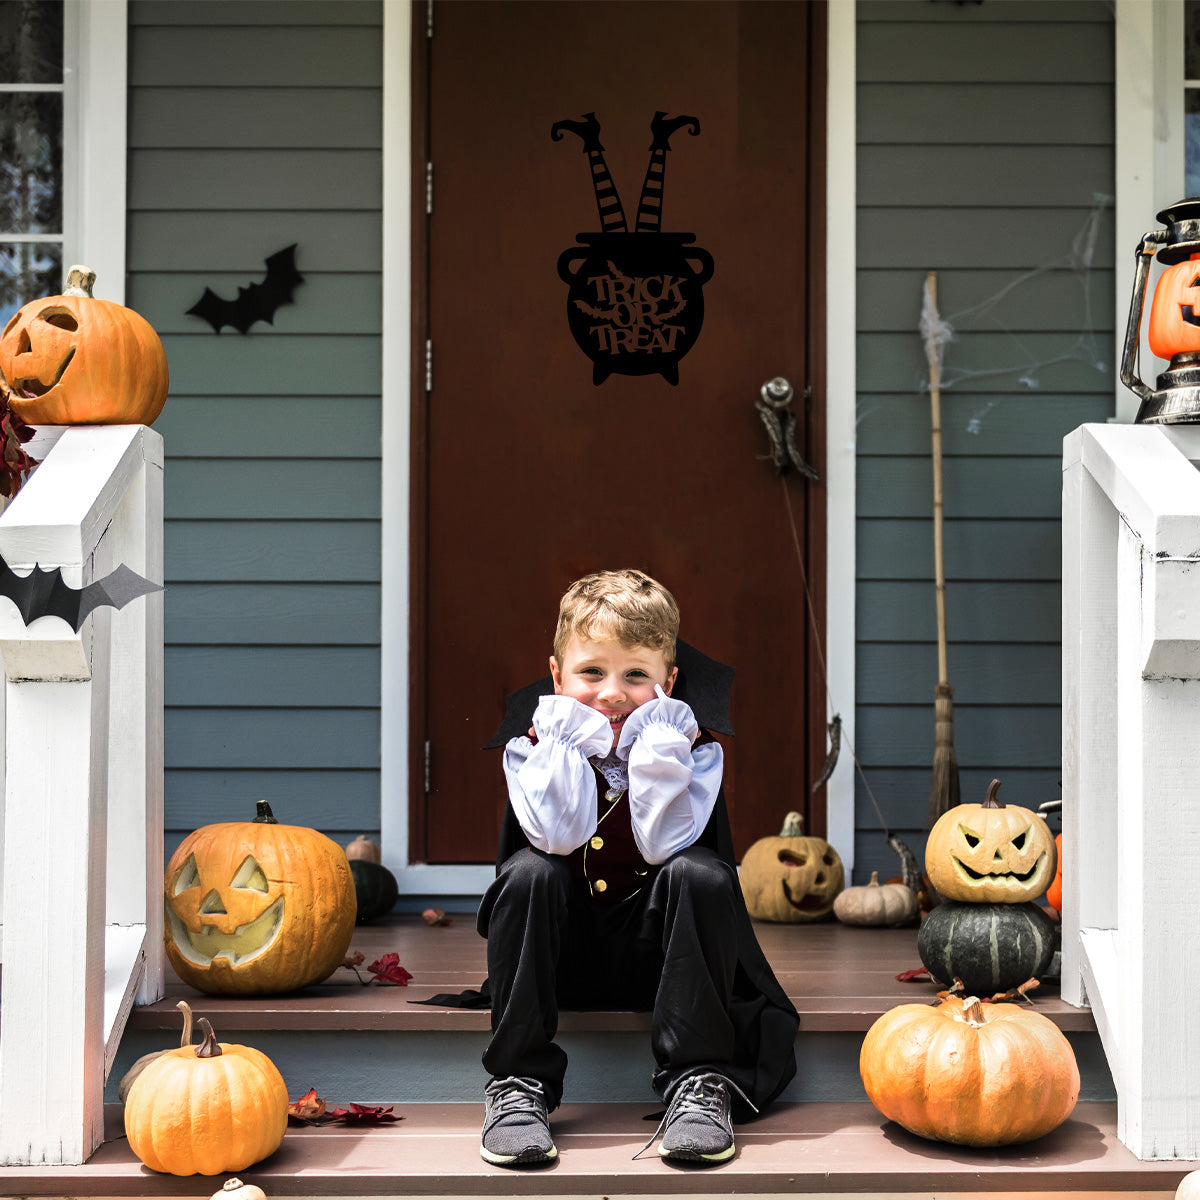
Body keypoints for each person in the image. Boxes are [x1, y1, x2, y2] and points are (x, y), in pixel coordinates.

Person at [478, 569, 798, 1168]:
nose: (611, 693)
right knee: (528, 873)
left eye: (636, 675)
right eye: (591, 672)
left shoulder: (689, 752)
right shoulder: (535, 749)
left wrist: (655, 755)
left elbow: (661, 844)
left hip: (668, 967)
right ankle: (518, 1085)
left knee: (700, 874)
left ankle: (697, 1083)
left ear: (669, 682)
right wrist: (567, 749)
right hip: (559, 960)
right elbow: (555, 835)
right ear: (556, 675)